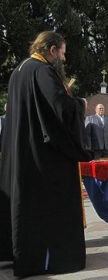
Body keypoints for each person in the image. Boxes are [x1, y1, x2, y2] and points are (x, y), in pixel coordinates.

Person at [0, 31, 90, 277]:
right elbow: (59, 108)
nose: (64, 56)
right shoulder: (43, 70)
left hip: (23, 153)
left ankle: (21, 255)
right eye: (62, 51)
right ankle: (53, 259)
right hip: (43, 158)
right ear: (51, 50)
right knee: (48, 206)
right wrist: (80, 105)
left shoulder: (20, 70)